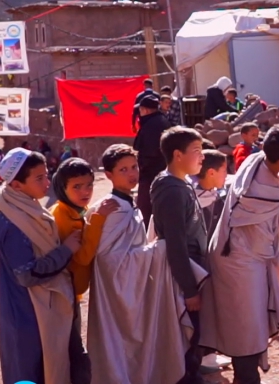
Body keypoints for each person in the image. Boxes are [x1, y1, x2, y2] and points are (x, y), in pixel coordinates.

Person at [89, 143, 208, 384]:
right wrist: (159, 248)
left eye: (134, 167)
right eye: (123, 170)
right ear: (109, 175)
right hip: (119, 296)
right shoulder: (113, 209)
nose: (131, 174)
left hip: (133, 288)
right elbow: (108, 260)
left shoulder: (127, 203)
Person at [203, 124, 279, 384]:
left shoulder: (257, 161)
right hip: (241, 263)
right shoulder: (263, 192)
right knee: (246, 328)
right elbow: (266, 241)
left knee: (246, 324)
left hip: (239, 256)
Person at [0, 148, 82, 384]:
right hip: (28, 313)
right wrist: (66, 250)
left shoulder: (26, 208)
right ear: (17, 185)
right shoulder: (13, 221)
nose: (46, 183)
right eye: (39, 178)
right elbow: (27, 273)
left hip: (39, 308)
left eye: (46, 175)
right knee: (33, 371)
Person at [50, 158, 118, 384]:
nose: (85, 191)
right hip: (63, 295)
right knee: (74, 352)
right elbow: (82, 256)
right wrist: (98, 220)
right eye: (77, 187)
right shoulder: (62, 216)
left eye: (89, 185)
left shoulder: (77, 210)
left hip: (73, 293)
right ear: (63, 188)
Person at [151, 127, 209, 384]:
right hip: (183, 276)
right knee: (186, 337)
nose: (202, 157)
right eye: (196, 151)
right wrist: (189, 289)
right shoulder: (171, 190)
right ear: (177, 155)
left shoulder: (181, 183)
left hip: (192, 271)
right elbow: (176, 243)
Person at [191, 149, 232, 374]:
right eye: (224, 170)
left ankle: (209, 353)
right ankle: (200, 357)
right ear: (211, 172)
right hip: (197, 266)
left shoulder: (219, 197)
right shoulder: (193, 200)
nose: (227, 174)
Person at [133, 95, 173, 229]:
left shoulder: (152, 126)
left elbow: (150, 153)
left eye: (140, 110)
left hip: (151, 175)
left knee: (147, 211)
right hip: (159, 172)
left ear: (145, 110)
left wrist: (141, 169)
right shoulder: (159, 121)